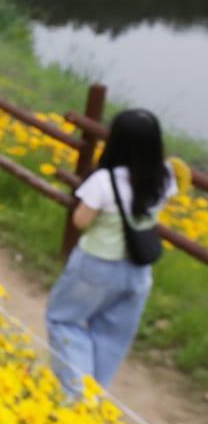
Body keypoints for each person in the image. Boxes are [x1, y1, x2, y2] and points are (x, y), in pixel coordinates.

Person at [46, 109, 176, 401]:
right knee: (112, 336)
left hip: (96, 265)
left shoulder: (105, 180)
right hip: (138, 271)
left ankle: (78, 395)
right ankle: (94, 397)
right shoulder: (165, 176)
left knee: (64, 320)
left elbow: (81, 221)